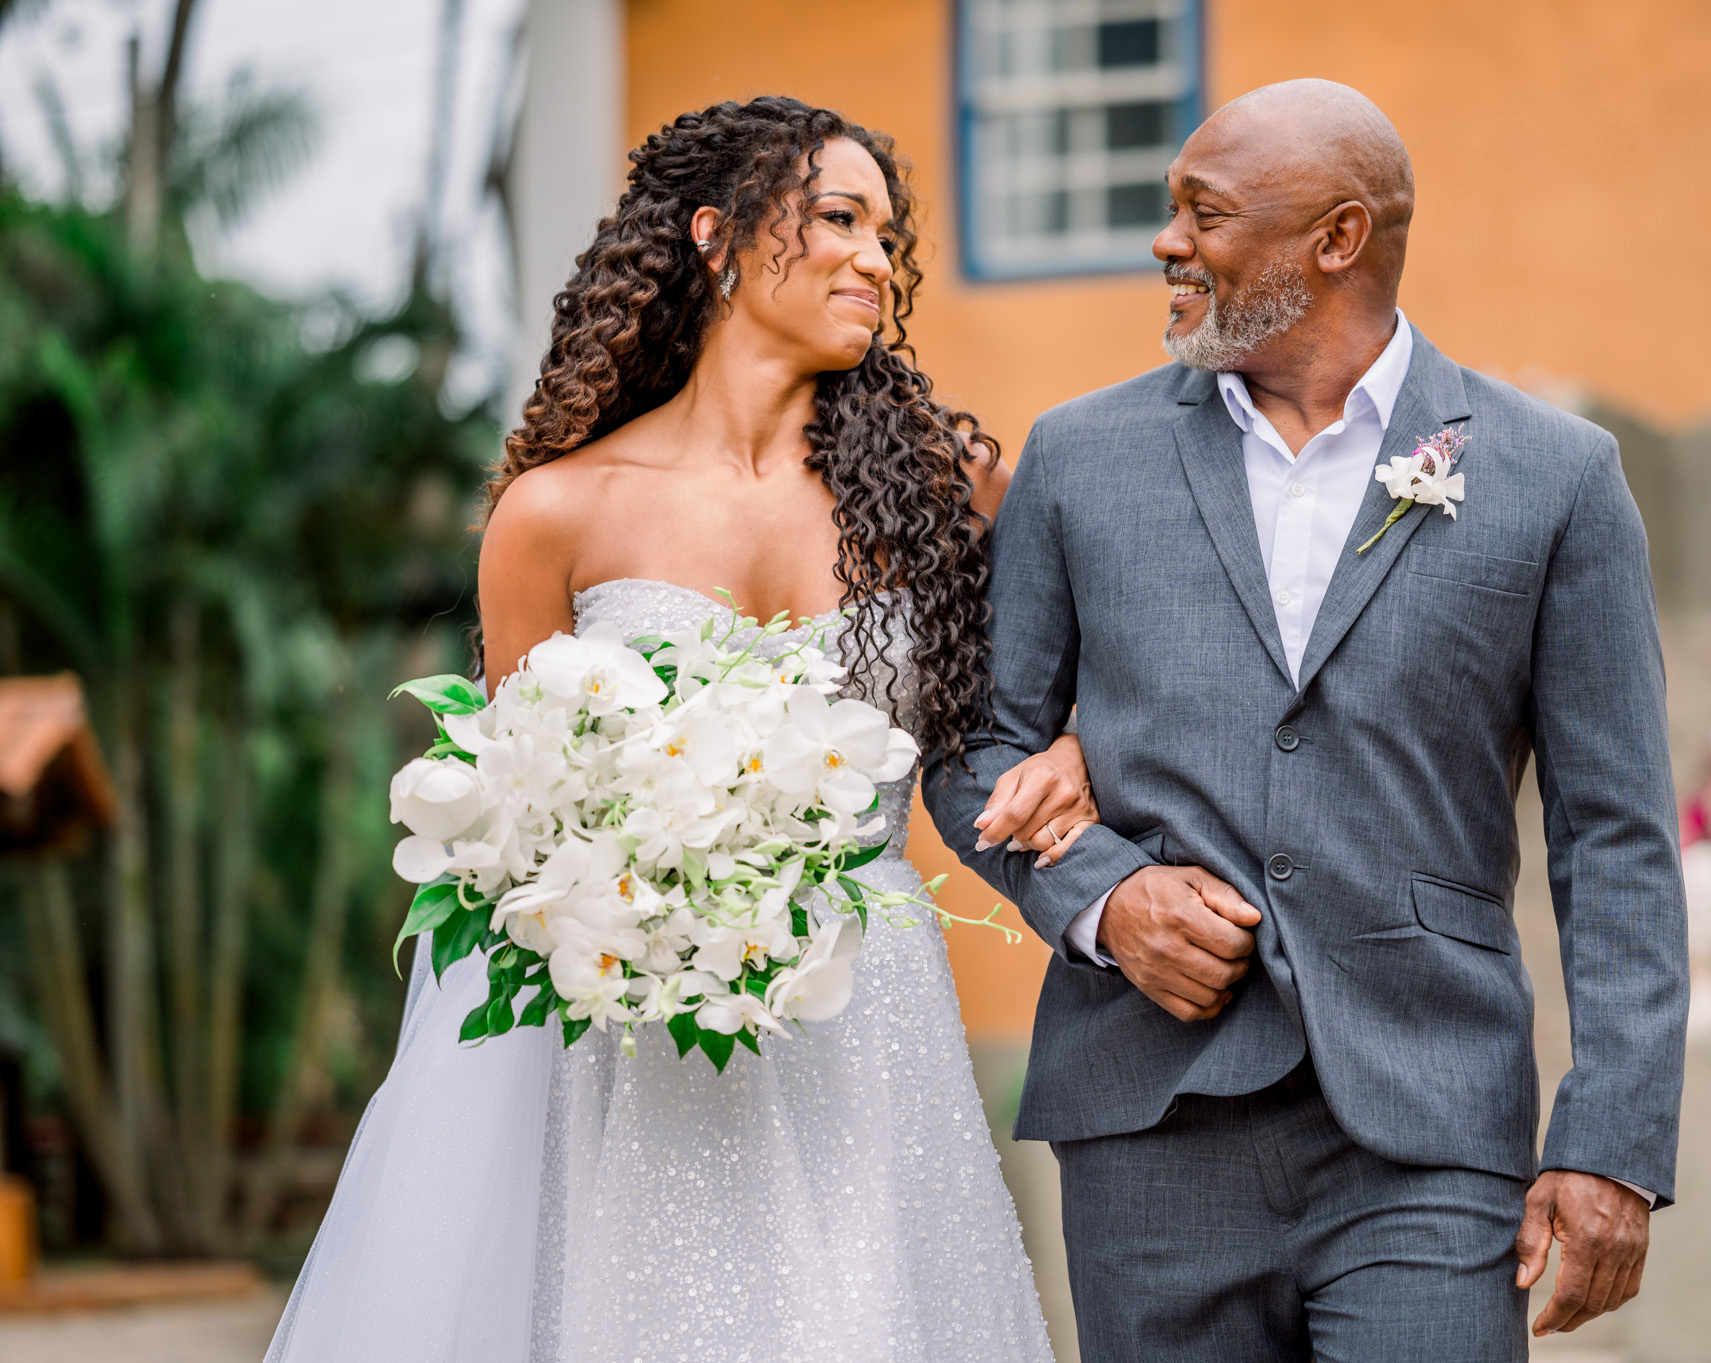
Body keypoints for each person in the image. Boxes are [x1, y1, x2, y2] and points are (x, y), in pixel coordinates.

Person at [267, 96, 1095, 1363]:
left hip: (867, 1014)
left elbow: (1084, 689)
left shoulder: (944, 492)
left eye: (888, 235)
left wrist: (1074, 748)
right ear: (716, 236)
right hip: (630, 1041)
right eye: (839, 220)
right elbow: (518, 818)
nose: (877, 260)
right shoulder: (556, 517)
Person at [934, 79, 1689, 1362]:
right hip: (1146, 1120)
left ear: (1337, 239)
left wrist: (1611, 1140)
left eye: (1202, 212)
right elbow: (977, 749)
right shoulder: (1075, 458)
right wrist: (1109, 902)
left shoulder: (1554, 477)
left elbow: (1613, 833)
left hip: (1427, 1123)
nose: (1165, 243)